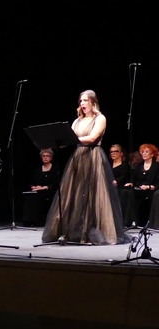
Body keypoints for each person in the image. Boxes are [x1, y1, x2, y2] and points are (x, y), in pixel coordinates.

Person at [41, 90, 126, 245]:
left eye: (85, 100)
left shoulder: (100, 118)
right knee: (75, 194)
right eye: (80, 101)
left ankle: (93, 231)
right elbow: (68, 140)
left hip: (93, 156)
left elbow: (93, 138)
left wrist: (73, 139)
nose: (82, 104)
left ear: (93, 102)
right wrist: (52, 141)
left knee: (93, 194)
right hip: (78, 157)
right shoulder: (77, 121)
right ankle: (73, 231)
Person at [120, 144, 159, 227]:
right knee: (125, 192)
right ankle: (127, 222)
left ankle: (151, 223)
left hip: (151, 190)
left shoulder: (157, 166)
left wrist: (150, 187)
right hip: (139, 189)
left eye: (146, 152)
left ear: (152, 154)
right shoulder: (139, 165)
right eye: (142, 152)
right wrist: (132, 183)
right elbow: (134, 179)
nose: (144, 154)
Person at [22, 148, 60, 227]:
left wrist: (44, 187)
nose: (45, 157)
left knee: (39, 197)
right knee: (30, 196)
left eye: (47, 156)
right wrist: (33, 187)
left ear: (51, 158)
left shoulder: (55, 169)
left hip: (49, 191)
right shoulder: (37, 169)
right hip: (38, 190)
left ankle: (39, 221)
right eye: (43, 156)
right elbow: (31, 181)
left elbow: (56, 183)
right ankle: (29, 221)